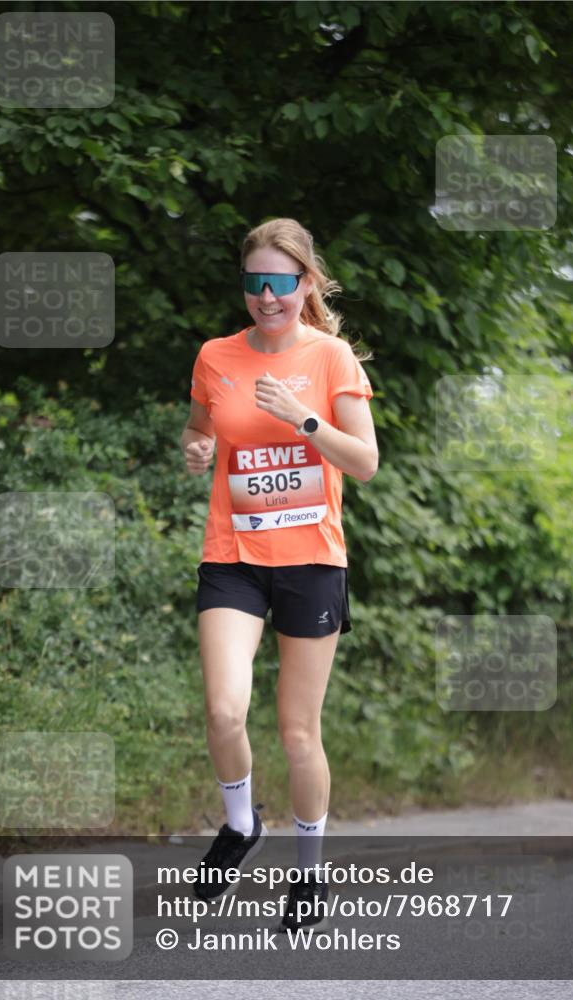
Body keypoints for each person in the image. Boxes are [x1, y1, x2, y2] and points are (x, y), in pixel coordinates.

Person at [181, 217, 378, 932]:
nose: (267, 297)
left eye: (281, 283)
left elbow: (363, 461)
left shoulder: (329, 360)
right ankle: (240, 825)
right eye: (254, 284)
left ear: (305, 284)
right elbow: (202, 429)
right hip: (232, 555)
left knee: (298, 733)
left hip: (311, 561)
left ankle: (309, 873)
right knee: (224, 710)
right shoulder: (215, 355)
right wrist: (198, 449)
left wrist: (302, 420)